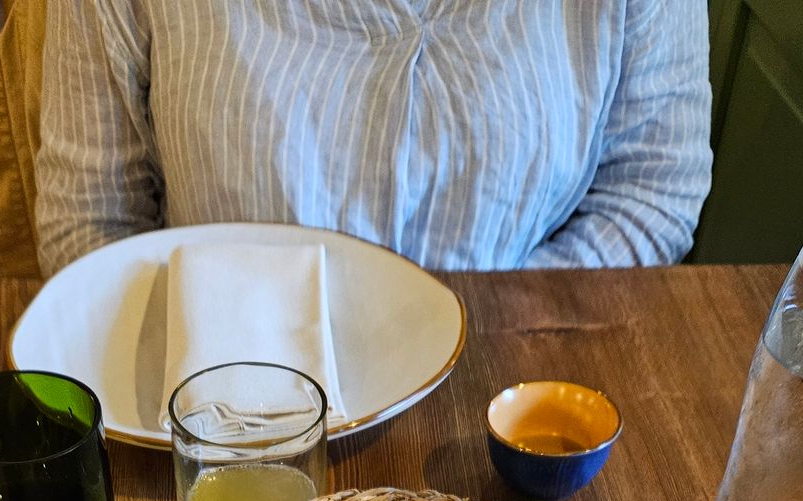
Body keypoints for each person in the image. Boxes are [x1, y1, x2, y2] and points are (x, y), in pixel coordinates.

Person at [35, 0, 712, 278]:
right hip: (222, 431)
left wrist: (476, 337)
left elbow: (652, 190)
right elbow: (91, 223)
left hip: (516, 416)